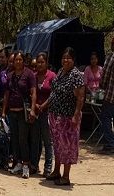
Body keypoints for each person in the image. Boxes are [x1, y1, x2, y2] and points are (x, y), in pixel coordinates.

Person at [39, 47, 86, 186]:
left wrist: (76, 115)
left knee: (68, 146)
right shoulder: (60, 72)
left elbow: (80, 98)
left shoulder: (76, 75)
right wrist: (44, 105)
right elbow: (54, 93)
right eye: (64, 57)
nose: (65, 60)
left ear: (73, 59)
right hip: (56, 115)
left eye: (68, 58)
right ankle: (56, 171)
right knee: (58, 145)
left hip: (68, 117)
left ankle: (66, 176)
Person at [2, 51, 38, 179]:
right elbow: (7, 94)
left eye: (19, 59)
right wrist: (3, 111)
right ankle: (17, 163)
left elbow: (33, 93)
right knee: (15, 139)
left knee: (23, 139)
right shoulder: (10, 75)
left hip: (23, 112)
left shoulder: (29, 74)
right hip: (12, 112)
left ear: (23, 61)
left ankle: (26, 165)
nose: (17, 62)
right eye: (15, 60)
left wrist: (33, 109)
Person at [33, 52, 56, 176]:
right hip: (36, 112)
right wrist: (35, 104)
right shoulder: (34, 76)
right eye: (38, 62)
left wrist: (44, 105)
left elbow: (54, 94)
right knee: (36, 140)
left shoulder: (52, 76)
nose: (40, 64)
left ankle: (48, 167)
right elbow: (31, 92)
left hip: (47, 112)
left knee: (48, 141)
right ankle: (35, 165)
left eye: (42, 62)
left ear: (46, 63)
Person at [100, 37, 114, 155]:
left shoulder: (111, 57)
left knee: (105, 117)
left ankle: (110, 144)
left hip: (111, 96)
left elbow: (105, 75)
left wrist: (103, 85)